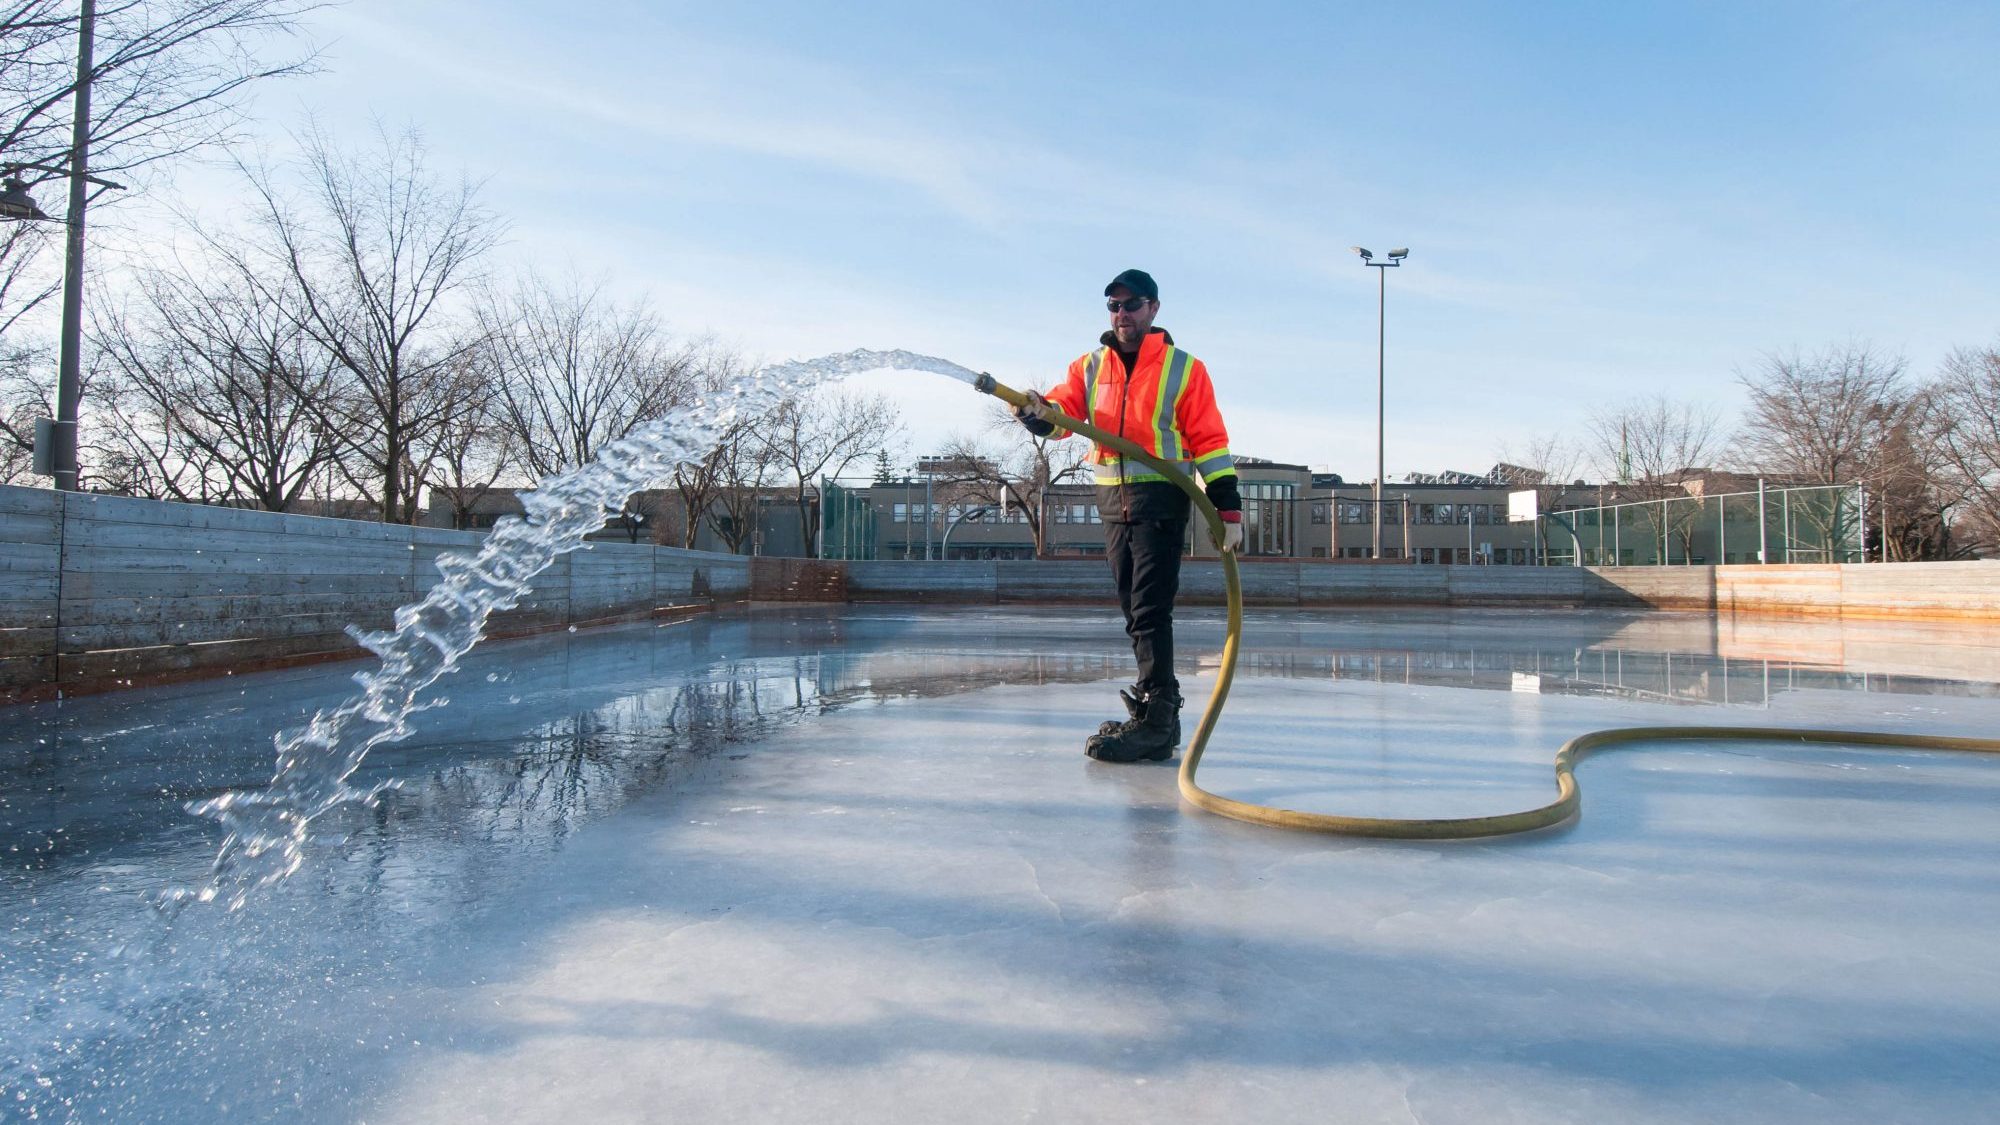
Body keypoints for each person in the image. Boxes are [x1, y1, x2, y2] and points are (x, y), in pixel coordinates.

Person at [1014, 268, 1243, 762]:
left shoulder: (1183, 368)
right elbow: (1062, 417)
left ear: (1153, 309)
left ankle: (1158, 719)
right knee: (1133, 610)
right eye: (1114, 306)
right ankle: (1157, 709)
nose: (1122, 315)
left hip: (1161, 498)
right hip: (1111, 502)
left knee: (1149, 609)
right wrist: (1038, 414)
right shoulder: (1090, 367)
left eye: (1132, 305)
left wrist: (1227, 507)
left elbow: (1209, 441)